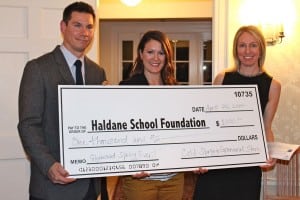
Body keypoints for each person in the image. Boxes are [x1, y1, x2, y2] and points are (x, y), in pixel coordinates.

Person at [17, 2, 107, 200]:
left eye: (89, 27)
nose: (84, 32)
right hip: (52, 187)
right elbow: (28, 125)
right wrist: (48, 165)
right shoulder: (37, 69)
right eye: (77, 25)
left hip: (90, 188)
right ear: (63, 27)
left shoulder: (97, 72)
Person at [193, 25, 281, 200]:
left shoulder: (273, 85)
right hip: (217, 163)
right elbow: (209, 123)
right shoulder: (222, 79)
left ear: (261, 49)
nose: (247, 51)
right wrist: (199, 154)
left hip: (247, 168)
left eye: (253, 45)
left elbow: (266, 127)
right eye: (242, 45)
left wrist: (270, 153)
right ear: (236, 49)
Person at [119, 30, 184, 200]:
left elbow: (183, 130)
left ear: (167, 56)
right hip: (140, 178)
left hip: (173, 178)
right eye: (150, 52)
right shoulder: (126, 89)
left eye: (161, 53)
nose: (156, 58)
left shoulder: (176, 90)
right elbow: (119, 133)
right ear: (141, 54)